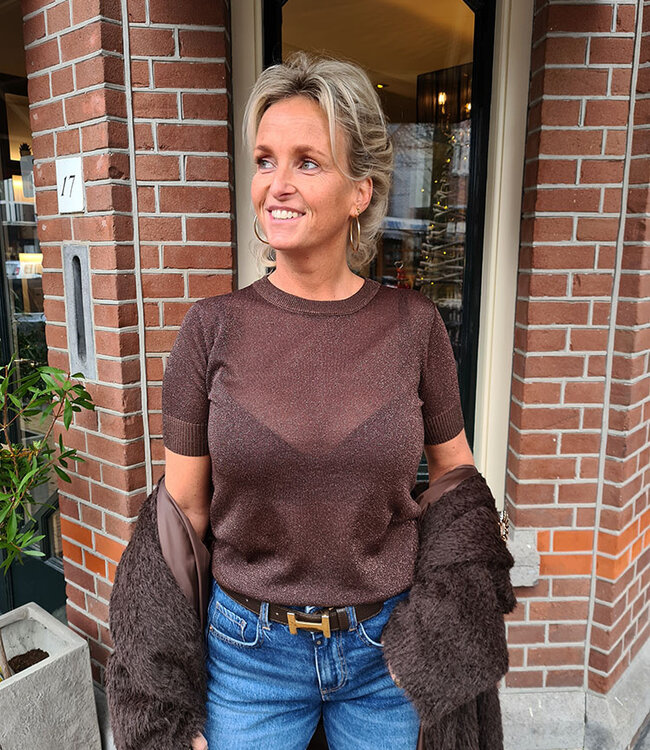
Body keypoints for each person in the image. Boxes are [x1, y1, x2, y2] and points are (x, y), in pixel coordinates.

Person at [161, 51, 476, 750]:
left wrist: (453, 624)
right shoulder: (209, 330)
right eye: (265, 160)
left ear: (361, 191)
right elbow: (181, 516)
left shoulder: (415, 326)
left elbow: (455, 476)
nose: (276, 184)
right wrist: (167, 691)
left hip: (385, 654)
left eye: (307, 162)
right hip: (247, 656)